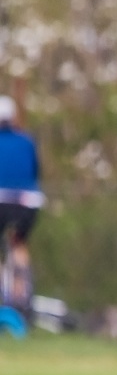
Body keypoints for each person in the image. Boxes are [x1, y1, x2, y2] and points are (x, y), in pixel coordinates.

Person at [0, 96, 44, 312]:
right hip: (28, 201)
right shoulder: (27, 141)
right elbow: (36, 172)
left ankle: (4, 294)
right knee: (18, 243)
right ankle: (21, 294)